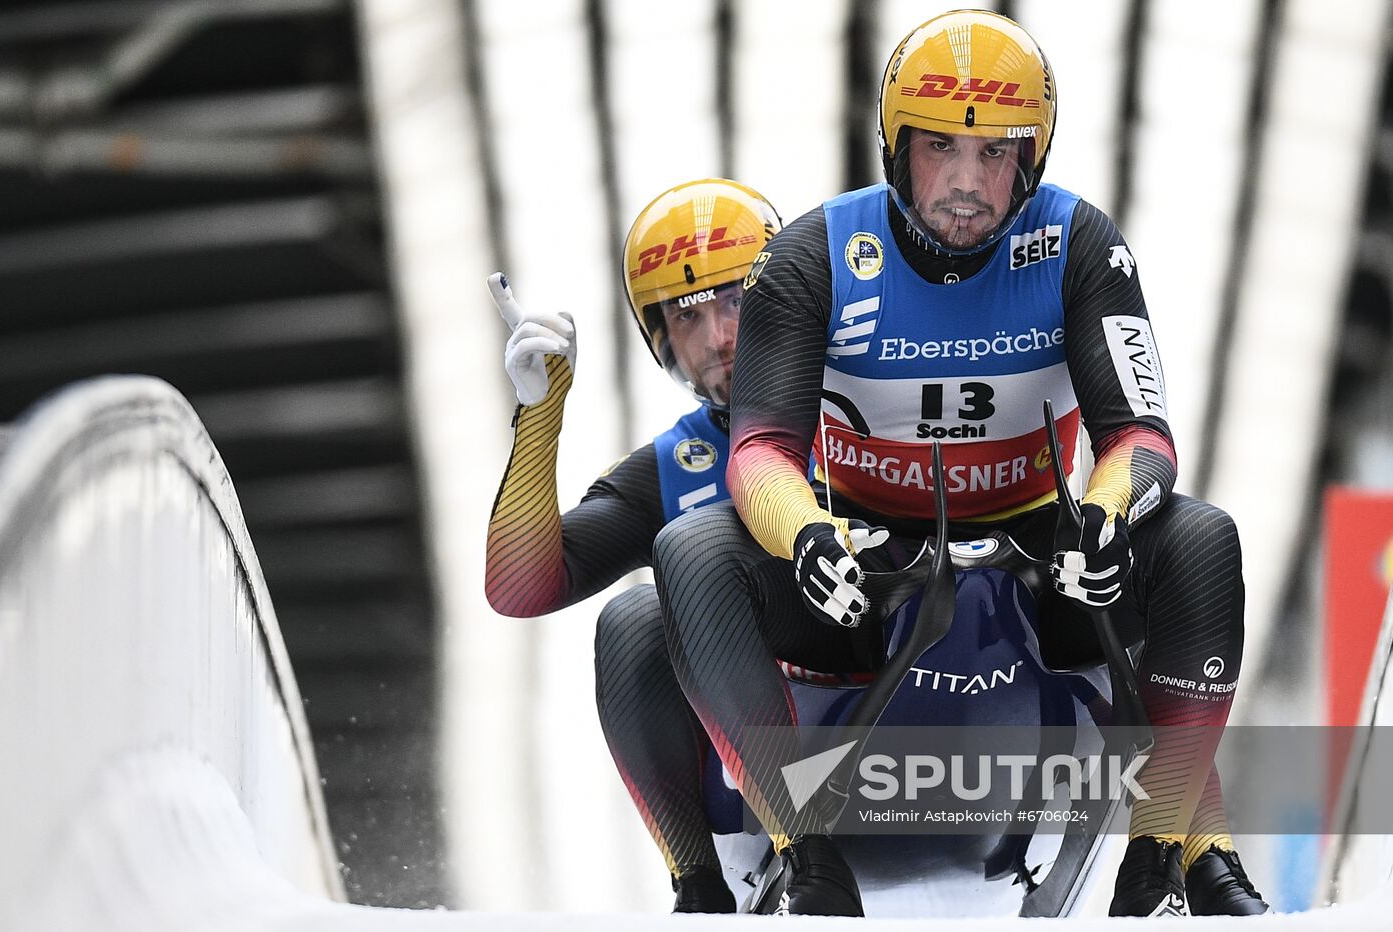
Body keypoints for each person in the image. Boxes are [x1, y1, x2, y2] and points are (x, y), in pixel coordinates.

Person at [651, 10, 1268, 918]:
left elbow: (1143, 437)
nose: (968, 185)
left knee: (1204, 540)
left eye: (997, 153)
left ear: (1034, 159)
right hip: (865, 559)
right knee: (694, 550)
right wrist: (808, 536)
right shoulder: (810, 257)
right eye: (941, 147)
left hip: (1036, 558)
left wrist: (1104, 512)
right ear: (897, 148)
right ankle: (804, 854)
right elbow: (761, 451)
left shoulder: (1083, 245)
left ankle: (1167, 857)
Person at [483, 178, 782, 913]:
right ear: (660, 340)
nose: (719, 337)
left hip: (930, 720)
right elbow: (520, 589)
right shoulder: (669, 469)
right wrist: (539, 417)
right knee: (630, 619)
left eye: (738, 302)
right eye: (687, 314)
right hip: (770, 780)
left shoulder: (886, 393)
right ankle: (699, 881)